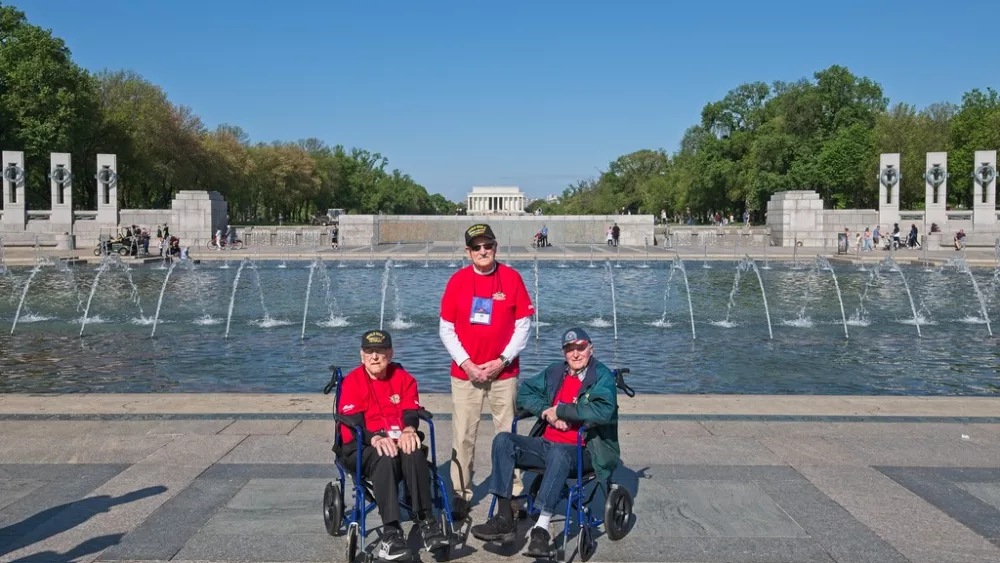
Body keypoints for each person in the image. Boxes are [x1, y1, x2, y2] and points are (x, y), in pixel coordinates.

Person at [471, 327, 620, 557]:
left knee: (559, 453)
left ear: (591, 348)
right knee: (503, 441)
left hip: (586, 450)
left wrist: (563, 411)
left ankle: (540, 529)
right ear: (564, 353)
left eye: (580, 347)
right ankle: (504, 518)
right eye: (570, 349)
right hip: (547, 444)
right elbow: (524, 393)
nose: (576, 354)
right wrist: (546, 412)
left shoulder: (602, 376)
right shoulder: (555, 371)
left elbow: (603, 410)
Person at [439, 223, 534, 520]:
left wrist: (501, 360)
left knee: (507, 435)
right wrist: (467, 363)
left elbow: (523, 326)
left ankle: (514, 492)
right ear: (468, 252)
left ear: (495, 247)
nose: (483, 251)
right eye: (477, 247)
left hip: (503, 373)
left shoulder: (511, 278)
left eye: (488, 245)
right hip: (465, 374)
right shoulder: (457, 281)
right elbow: (446, 328)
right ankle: (460, 492)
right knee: (463, 435)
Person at [335, 330, 449, 561]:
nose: (374, 356)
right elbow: (352, 421)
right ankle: (391, 532)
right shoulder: (352, 381)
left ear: (390, 352)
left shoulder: (404, 378)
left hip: (397, 439)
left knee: (413, 448)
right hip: (360, 444)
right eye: (369, 352)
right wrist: (375, 437)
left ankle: (427, 522)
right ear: (361, 355)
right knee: (384, 456)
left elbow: (410, 410)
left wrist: (409, 430)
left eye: (380, 351)